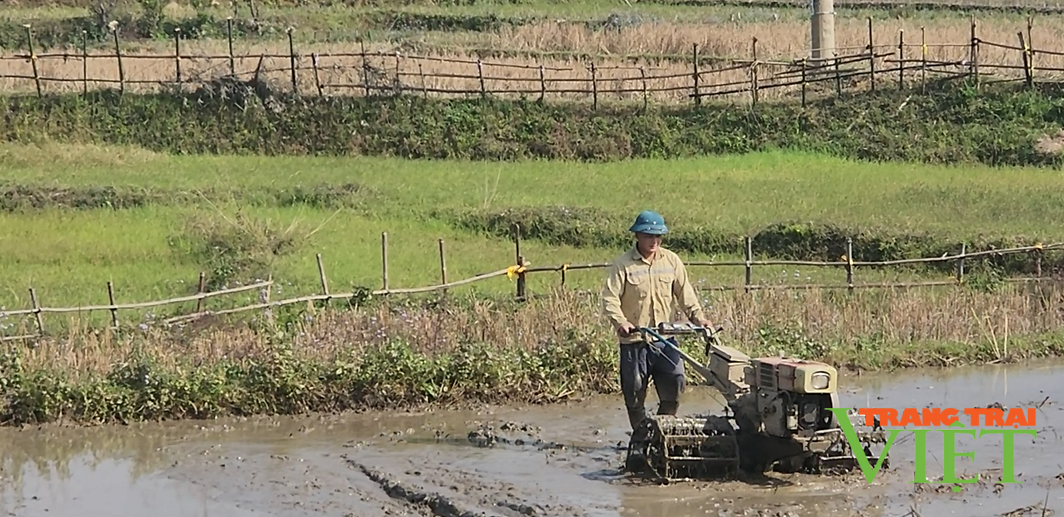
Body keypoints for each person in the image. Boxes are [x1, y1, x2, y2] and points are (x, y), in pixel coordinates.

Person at [600, 209, 715, 432]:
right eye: (648, 236)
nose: (653, 241)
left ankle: (661, 431)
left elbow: (685, 294)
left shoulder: (671, 261)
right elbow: (609, 298)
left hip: (665, 339)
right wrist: (621, 322)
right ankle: (641, 434)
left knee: (675, 382)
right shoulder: (623, 265)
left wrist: (699, 318)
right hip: (634, 340)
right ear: (637, 236)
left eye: (657, 236)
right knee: (634, 393)